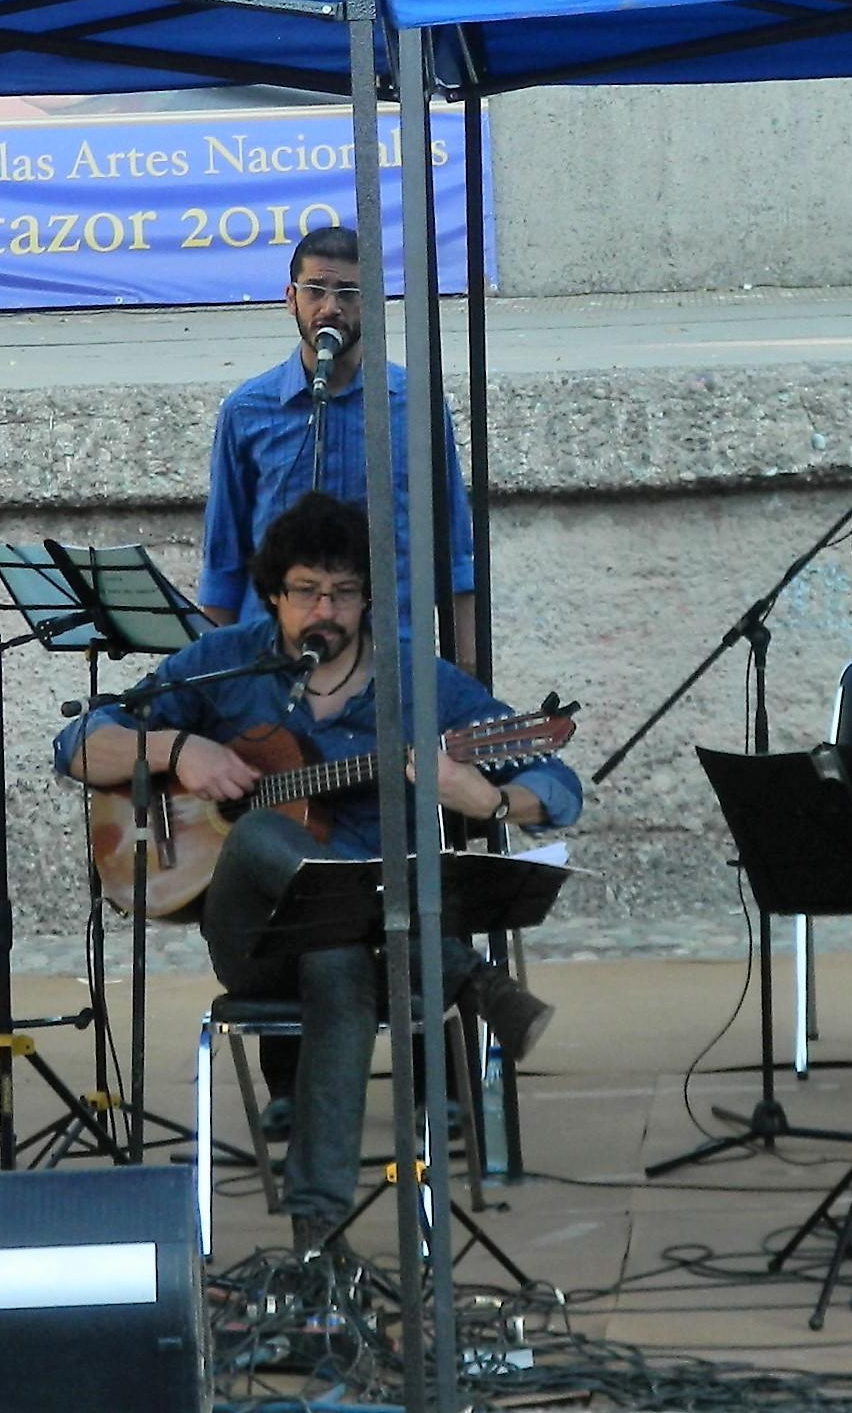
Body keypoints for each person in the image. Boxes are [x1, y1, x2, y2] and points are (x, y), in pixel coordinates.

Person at [56, 493, 570, 1252]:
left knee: (336, 956)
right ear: (274, 595)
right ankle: (465, 973)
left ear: (369, 598)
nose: (323, 609)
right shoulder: (225, 663)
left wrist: (489, 798)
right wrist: (175, 752)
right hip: (249, 936)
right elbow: (77, 743)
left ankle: (316, 1241)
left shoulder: (415, 684)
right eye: (306, 591)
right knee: (263, 831)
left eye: (343, 592)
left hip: (359, 946)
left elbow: (557, 783)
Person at [201, 228, 477, 664]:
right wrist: (213, 684)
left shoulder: (415, 405)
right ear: (291, 298)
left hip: (389, 662)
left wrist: (466, 677)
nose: (331, 308)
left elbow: (455, 554)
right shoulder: (248, 410)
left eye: (348, 292)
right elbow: (223, 566)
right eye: (316, 291)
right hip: (271, 666)